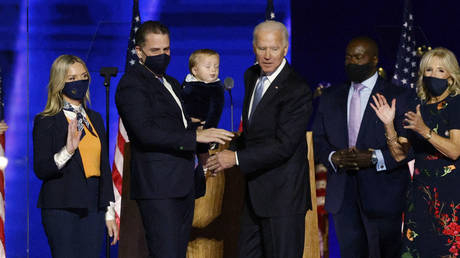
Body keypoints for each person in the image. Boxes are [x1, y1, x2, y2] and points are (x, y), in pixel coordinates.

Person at [115, 21, 234, 258]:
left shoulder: (170, 83)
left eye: (166, 50)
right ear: (139, 52)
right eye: (155, 51)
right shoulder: (132, 84)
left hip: (183, 184)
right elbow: (145, 133)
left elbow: (182, 125)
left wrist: (204, 149)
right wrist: (195, 135)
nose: (163, 55)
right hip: (159, 187)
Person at [206, 20, 313, 257]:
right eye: (262, 48)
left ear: (285, 49)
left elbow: (284, 146)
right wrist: (223, 148)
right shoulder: (251, 75)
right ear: (253, 48)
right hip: (254, 194)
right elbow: (254, 132)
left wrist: (234, 158)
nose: (267, 55)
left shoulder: (297, 89)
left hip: (283, 197)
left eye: (274, 49)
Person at [312, 37, 414, 258]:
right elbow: (318, 140)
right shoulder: (330, 97)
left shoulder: (399, 96)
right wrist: (332, 157)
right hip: (343, 194)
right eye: (348, 57)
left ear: (374, 59)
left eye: (358, 57)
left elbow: (409, 146)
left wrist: (375, 157)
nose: (352, 62)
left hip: (383, 196)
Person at [371, 47, 460, 257]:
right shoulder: (416, 107)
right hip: (420, 195)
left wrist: (424, 130)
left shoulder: (456, 105)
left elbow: (455, 151)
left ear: (451, 76)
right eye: (428, 70)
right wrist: (388, 126)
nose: (433, 75)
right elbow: (400, 155)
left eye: (440, 70)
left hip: (451, 195)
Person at [32, 55, 118, 258]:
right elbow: (41, 169)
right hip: (62, 206)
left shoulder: (94, 118)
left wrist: (109, 212)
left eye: (83, 76)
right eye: (71, 79)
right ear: (59, 82)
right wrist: (68, 151)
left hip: (94, 207)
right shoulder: (46, 120)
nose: (79, 81)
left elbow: (103, 167)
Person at [181, 49, 225, 169]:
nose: (213, 70)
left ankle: (206, 170)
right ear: (195, 70)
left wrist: (208, 129)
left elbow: (215, 111)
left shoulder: (216, 88)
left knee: (202, 153)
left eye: (216, 67)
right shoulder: (187, 83)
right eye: (208, 67)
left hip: (203, 128)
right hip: (184, 129)